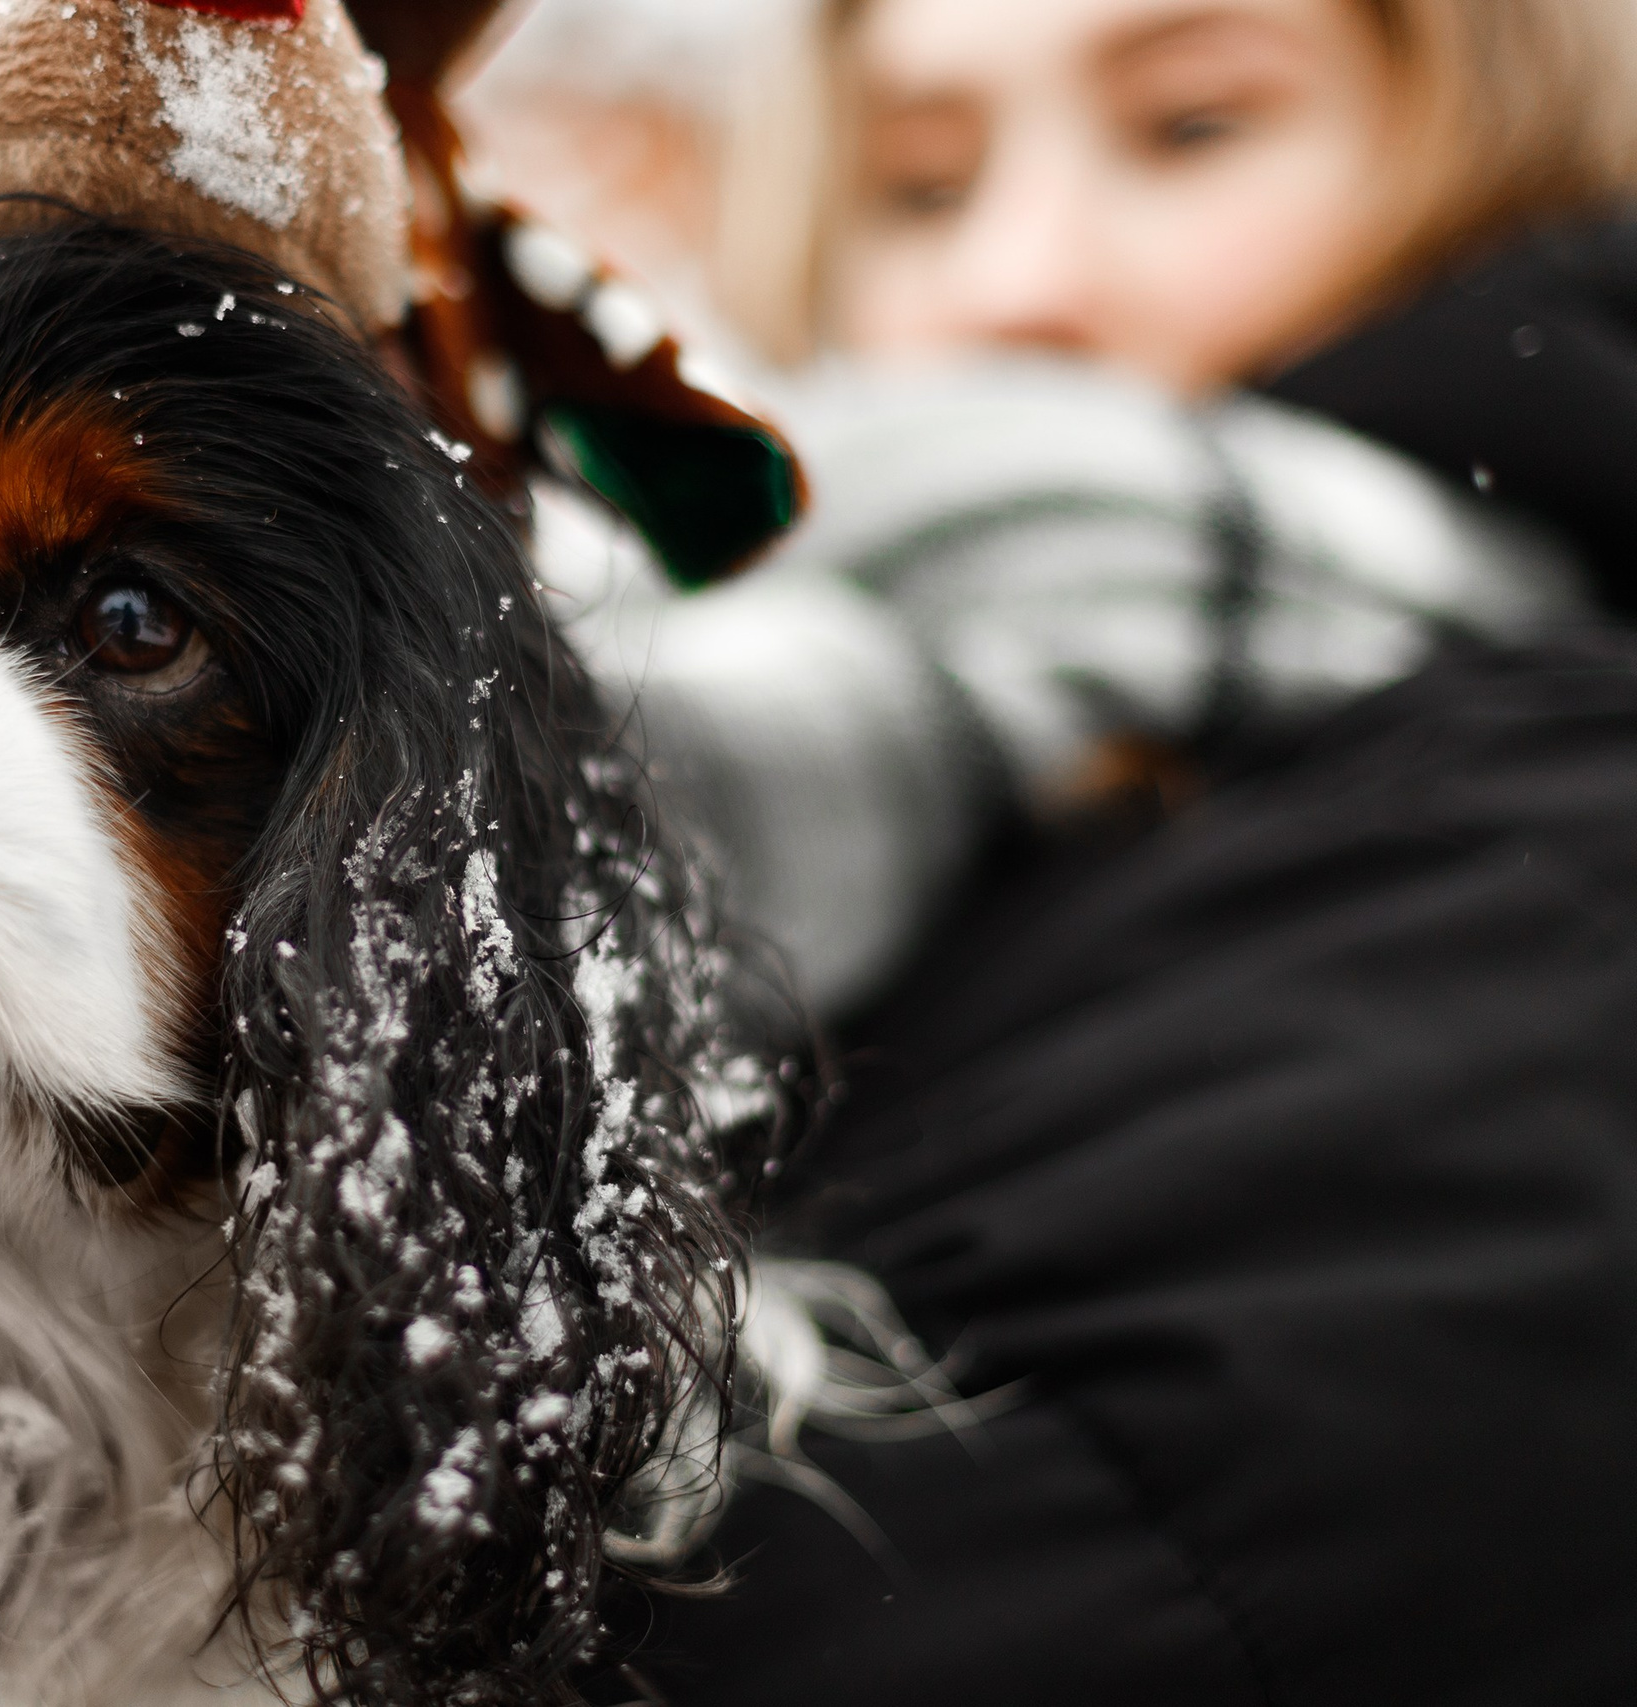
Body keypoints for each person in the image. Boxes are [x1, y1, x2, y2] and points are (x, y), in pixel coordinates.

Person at [566, 1, 1637, 1701]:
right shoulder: (785, 741)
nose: (1015, 280)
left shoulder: (1547, 848)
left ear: (1506, 147)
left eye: (1191, 129)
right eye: (920, 184)